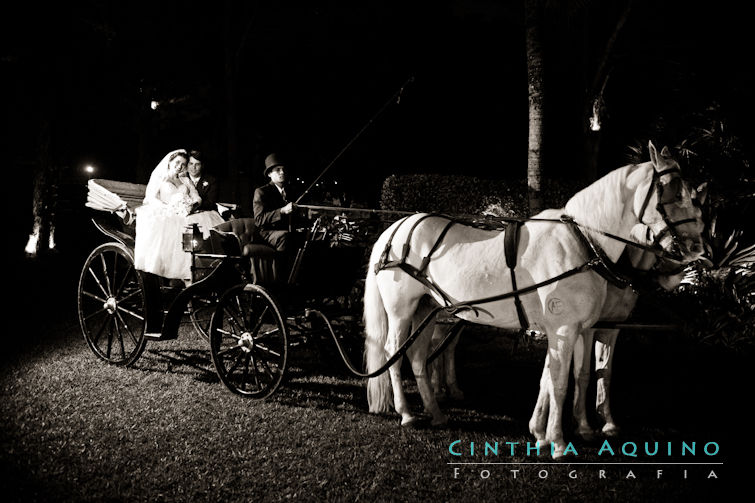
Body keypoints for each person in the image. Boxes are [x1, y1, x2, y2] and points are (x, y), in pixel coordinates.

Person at [134, 149, 224, 280]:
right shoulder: (160, 178)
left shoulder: (185, 179)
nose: (179, 166)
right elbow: (151, 198)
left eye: (183, 164)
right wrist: (169, 207)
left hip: (186, 213)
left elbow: (196, 197)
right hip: (167, 212)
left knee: (203, 224)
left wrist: (193, 205)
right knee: (177, 230)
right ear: (169, 162)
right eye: (177, 162)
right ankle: (183, 274)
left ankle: (202, 269)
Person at [253, 153, 300, 253]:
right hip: (267, 234)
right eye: (277, 170)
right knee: (285, 236)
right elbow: (259, 220)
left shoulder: (291, 191)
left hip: (287, 231)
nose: (282, 172)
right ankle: (283, 268)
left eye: (283, 169)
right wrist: (282, 211)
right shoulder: (261, 192)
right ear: (269, 174)